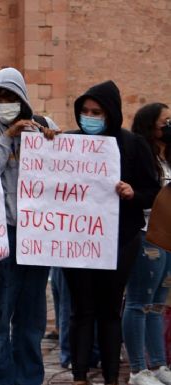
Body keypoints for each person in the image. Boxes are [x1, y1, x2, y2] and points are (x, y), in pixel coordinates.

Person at [62, 81, 160, 385]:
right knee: (81, 308)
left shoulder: (132, 144)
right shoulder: (69, 141)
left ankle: (110, 377)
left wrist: (133, 193)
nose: (90, 117)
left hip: (119, 239)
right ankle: (79, 375)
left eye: (97, 112)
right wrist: (49, 141)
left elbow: (152, 190)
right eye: (85, 111)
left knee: (109, 309)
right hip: (76, 239)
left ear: (111, 113)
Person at [0, 67, 59, 385]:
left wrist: (49, 142)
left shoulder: (45, 126)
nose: (5, 103)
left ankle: (29, 378)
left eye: (11, 97)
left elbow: (64, 171)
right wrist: (8, 138)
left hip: (36, 235)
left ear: (23, 99)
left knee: (32, 315)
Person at [122, 102, 171, 385]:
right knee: (139, 300)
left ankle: (158, 364)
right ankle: (138, 370)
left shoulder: (167, 157)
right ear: (151, 123)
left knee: (157, 303)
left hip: (167, 235)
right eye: (165, 120)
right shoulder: (140, 154)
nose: (168, 125)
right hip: (145, 232)